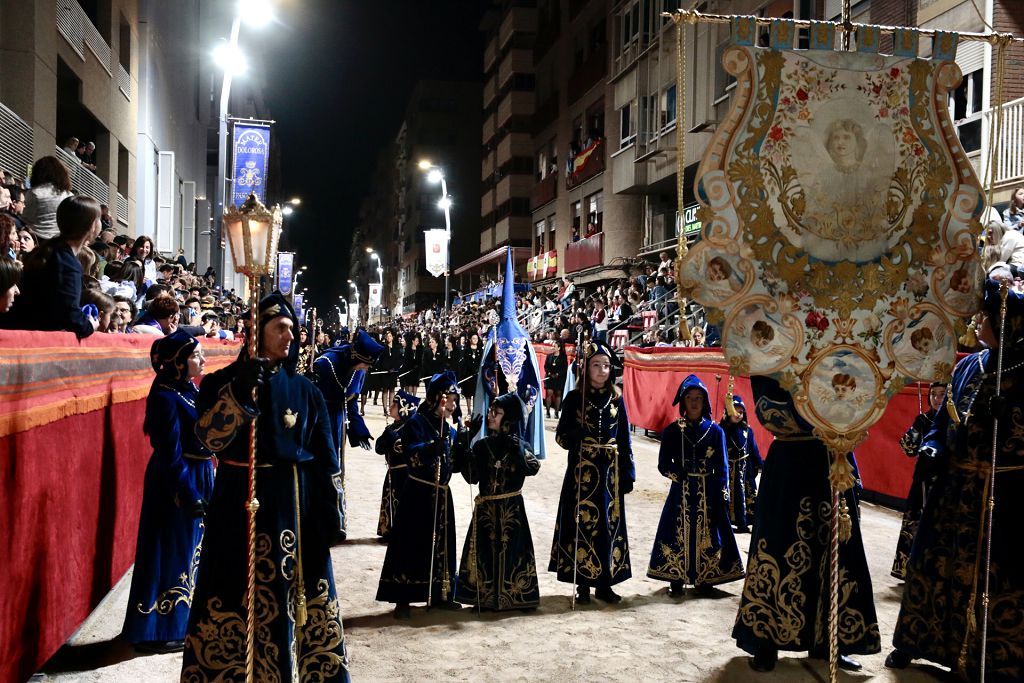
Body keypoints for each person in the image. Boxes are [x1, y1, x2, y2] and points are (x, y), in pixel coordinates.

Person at [181, 292, 350, 681]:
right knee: (231, 591)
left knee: (295, 600)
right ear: (256, 332)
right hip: (236, 506)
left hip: (294, 509)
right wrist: (238, 397)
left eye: (293, 329)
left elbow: (327, 458)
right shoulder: (221, 383)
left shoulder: (306, 390)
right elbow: (208, 439)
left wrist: (331, 513)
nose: (291, 337)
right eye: (281, 328)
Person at [886, 271, 1024, 681]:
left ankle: (992, 658)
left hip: (1003, 492)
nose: (977, 325)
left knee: (997, 574)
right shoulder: (970, 367)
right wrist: (933, 446)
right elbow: (943, 417)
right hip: (954, 488)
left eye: (985, 319)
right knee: (931, 565)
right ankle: (915, 641)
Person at [732, 376, 880, 673]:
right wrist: (823, 411)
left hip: (833, 459)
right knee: (777, 545)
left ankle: (831, 642)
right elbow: (768, 411)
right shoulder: (773, 351)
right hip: (790, 463)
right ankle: (766, 638)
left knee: (836, 549)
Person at [122, 331, 213, 652]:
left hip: (201, 473)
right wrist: (187, 491)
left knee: (191, 552)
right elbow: (170, 452)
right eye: (196, 355)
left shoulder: (188, 389)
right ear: (178, 362)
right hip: (176, 480)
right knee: (169, 551)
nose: (203, 360)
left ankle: (182, 621)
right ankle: (156, 631)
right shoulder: (163, 396)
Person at [549, 340, 634, 604]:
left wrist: (628, 473)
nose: (601, 370)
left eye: (606, 366)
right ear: (586, 368)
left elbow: (624, 440)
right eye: (596, 365)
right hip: (581, 475)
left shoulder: (617, 400)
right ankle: (582, 584)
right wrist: (578, 435)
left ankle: (605, 583)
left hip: (609, 474)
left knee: (608, 527)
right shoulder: (575, 398)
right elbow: (561, 437)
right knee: (581, 525)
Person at [376, 371, 466, 618]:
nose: (454, 405)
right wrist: (429, 449)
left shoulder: (448, 428)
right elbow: (410, 452)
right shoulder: (416, 422)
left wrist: (464, 442)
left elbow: (455, 465)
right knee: (410, 544)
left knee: (440, 547)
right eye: (451, 399)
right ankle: (402, 598)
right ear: (437, 398)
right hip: (418, 492)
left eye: (456, 400)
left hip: (441, 495)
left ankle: (439, 594)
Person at [648, 375, 744, 596]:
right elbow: (663, 464)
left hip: (708, 491)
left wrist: (723, 492)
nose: (694, 402)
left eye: (698, 397)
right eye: (689, 397)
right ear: (682, 401)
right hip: (680, 491)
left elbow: (722, 466)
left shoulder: (716, 431)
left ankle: (706, 577)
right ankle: (676, 577)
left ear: (705, 401)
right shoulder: (673, 431)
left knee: (708, 532)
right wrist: (677, 474)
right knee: (675, 531)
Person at [456, 391, 541, 611]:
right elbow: (471, 477)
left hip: (512, 509)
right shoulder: (482, 446)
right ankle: (482, 596)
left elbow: (532, 468)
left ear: (510, 418)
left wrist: (518, 449)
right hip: (486, 509)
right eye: (491, 411)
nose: (490, 415)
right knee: (484, 552)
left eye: (497, 412)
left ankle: (519, 595)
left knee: (515, 551)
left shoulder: (520, 445)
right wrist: (466, 443)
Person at [311, 328, 385, 541]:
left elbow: (351, 399)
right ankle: (320, 522)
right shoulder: (325, 364)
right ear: (356, 356)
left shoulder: (358, 370)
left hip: (338, 419)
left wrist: (358, 426)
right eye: (366, 364)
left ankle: (335, 522)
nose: (366, 369)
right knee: (323, 466)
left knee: (338, 470)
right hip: (320, 420)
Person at [1, 195, 100, 337]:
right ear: (92, 225)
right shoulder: (68, 263)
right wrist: (89, 325)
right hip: (32, 340)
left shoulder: (47, 250)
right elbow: (71, 317)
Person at [890, 382, 945, 581]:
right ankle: (907, 569)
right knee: (914, 522)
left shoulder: (955, 420)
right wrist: (917, 433)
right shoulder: (922, 419)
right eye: (934, 395)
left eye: (942, 394)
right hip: (921, 480)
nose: (937, 399)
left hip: (943, 481)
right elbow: (908, 449)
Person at [375, 390, 420, 539]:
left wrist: (393, 439)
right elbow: (379, 449)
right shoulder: (391, 428)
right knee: (389, 500)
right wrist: (386, 439)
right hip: (392, 472)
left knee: (401, 502)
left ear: (403, 408)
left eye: (394, 403)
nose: (391, 406)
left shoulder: (411, 429)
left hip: (404, 473)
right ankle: (388, 528)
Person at [721, 394, 762, 533]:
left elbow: (754, 449)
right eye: (734, 410)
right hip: (728, 469)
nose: (738, 414)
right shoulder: (722, 431)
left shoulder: (747, 431)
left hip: (744, 470)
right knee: (728, 495)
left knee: (744, 494)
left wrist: (761, 464)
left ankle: (743, 523)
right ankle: (726, 522)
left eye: (741, 411)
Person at [22, 156, 74, 240]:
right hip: (60, 240)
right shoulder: (70, 196)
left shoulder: (34, 193)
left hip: (37, 239)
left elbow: (26, 219)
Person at [458, 331, 482, 417]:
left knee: (475, 394)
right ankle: (469, 410)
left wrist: (477, 369)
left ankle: (475, 410)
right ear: (470, 339)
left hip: (476, 375)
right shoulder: (466, 349)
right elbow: (465, 362)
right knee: (468, 394)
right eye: (473, 338)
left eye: (476, 338)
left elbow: (481, 361)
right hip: (468, 375)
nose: (475, 340)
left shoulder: (480, 349)